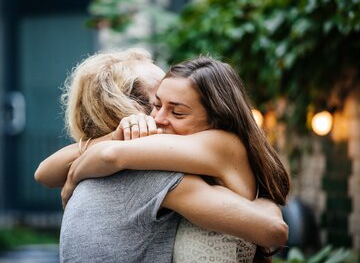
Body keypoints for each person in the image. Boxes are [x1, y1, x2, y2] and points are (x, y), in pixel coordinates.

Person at [35, 49, 289, 262]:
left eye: (176, 111)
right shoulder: (155, 167)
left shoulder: (211, 146)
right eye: (156, 104)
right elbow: (45, 172)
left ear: (216, 117)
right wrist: (115, 135)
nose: (158, 118)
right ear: (129, 108)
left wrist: (74, 175)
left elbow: (109, 155)